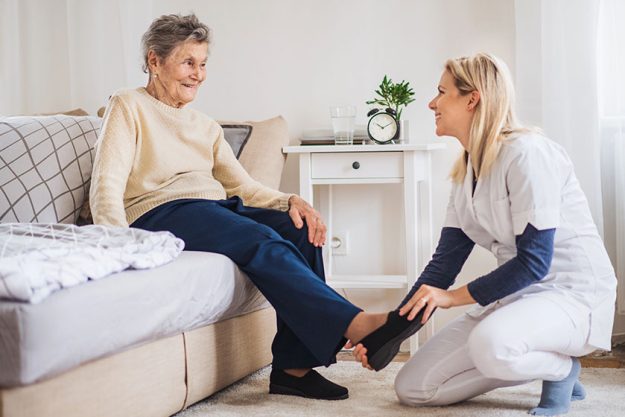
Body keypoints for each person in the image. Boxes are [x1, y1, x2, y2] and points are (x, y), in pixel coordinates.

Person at [89, 13, 422, 401]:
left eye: (203, 63)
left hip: (212, 207)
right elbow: (106, 183)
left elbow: (242, 185)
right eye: (188, 62)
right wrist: (118, 244)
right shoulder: (128, 105)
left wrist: (290, 201)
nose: (198, 74)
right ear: (154, 61)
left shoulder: (204, 125)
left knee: (298, 227)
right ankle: (357, 323)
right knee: (259, 238)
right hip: (159, 212)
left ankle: (293, 370)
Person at [350, 53, 617, 416]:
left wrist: (451, 299)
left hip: (570, 295)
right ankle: (532, 357)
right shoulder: (466, 172)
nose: (432, 103)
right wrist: (389, 334)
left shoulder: (527, 154)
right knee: (413, 388)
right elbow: (441, 269)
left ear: (472, 98)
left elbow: (534, 262)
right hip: (516, 299)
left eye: (441, 92)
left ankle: (561, 369)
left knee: (492, 345)